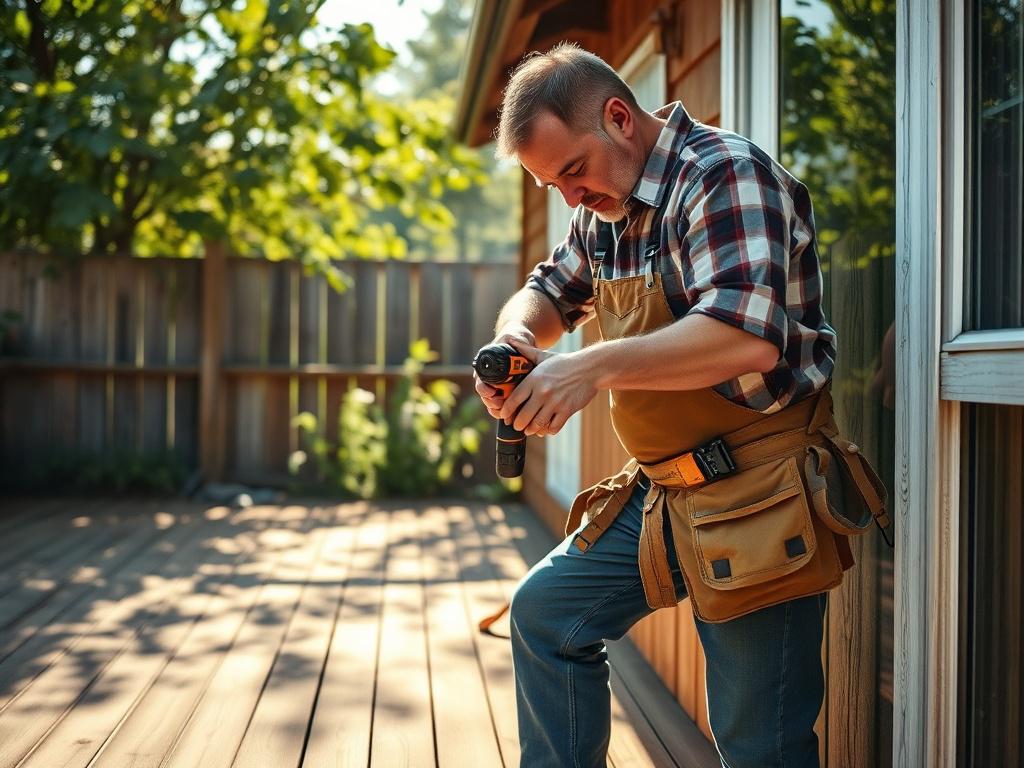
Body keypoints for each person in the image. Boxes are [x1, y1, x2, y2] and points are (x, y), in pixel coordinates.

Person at [473, 43, 888, 768]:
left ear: (618, 118)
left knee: (757, 744)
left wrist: (586, 368)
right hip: (665, 491)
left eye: (571, 170)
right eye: (551, 184)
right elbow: (548, 288)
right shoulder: (602, 207)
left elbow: (744, 336)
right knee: (547, 616)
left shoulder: (725, 175)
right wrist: (515, 336)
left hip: (762, 492)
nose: (570, 196)